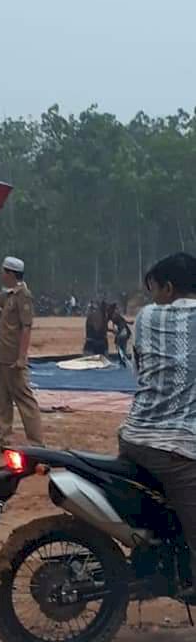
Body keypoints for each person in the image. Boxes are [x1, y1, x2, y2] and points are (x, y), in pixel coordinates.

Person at [119, 252, 196, 593]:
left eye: (154, 290)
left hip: (133, 438)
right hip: (175, 448)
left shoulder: (146, 317)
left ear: (168, 287)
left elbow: (139, 372)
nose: (152, 298)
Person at [0, 256, 43, 450]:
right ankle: (5, 438)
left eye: (4, 272)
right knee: (1, 399)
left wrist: (22, 357)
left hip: (13, 359)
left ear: (11, 273)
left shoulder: (23, 295)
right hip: (0, 357)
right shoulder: (10, 295)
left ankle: (37, 442)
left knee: (24, 399)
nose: (1, 275)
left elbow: (27, 327)